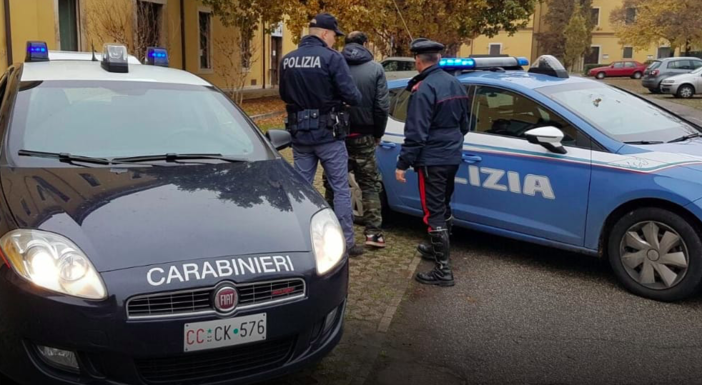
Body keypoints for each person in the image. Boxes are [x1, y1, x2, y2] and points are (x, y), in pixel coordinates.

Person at [279, 13, 364, 257]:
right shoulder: (332, 58)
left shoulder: (288, 60)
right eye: (334, 37)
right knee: (340, 188)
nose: (335, 41)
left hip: (300, 136)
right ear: (325, 34)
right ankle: (346, 242)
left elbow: (285, 94)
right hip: (329, 135)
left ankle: (302, 242)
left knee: (302, 189)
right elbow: (353, 96)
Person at [395, 38, 470, 287]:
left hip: (432, 160)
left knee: (433, 212)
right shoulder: (457, 84)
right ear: (437, 58)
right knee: (443, 205)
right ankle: (435, 250)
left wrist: (403, 163)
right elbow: (465, 126)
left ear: (418, 60)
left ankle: (443, 270)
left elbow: (416, 133)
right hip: (452, 157)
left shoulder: (424, 89)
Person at [323, 31, 390, 249]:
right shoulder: (376, 68)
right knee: (369, 184)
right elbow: (381, 106)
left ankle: (332, 232)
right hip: (364, 136)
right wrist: (377, 132)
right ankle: (373, 234)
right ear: (365, 43)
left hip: (336, 136)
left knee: (334, 184)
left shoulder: (332, 64)